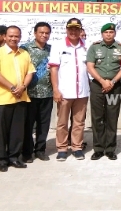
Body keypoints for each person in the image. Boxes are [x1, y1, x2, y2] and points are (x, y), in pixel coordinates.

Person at [0, 26, 36, 172]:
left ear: (20, 37)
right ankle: (2, 160)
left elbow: (30, 72)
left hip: (21, 98)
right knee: (1, 131)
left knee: (17, 131)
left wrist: (22, 87)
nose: (13, 39)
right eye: (11, 36)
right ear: (5, 36)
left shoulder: (24, 53)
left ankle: (14, 157)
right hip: (3, 99)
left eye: (16, 36)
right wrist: (12, 87)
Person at [48, 18, 89, 161]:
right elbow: (54, 69)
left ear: (80, 30)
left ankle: (77, 147)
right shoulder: (58, 45)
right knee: (62, 122)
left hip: (82, 91)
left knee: (79, 122)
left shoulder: (86, 46)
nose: (73, 31)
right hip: (64, 91)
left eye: (76, 29)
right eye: (70, 29)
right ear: (66, 29)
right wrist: (56, 89)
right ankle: (62, 148)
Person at [86, 23, 121, 161]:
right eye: (106, 32)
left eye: (111, 32)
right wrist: (102, 81)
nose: (109, 34)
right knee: (97, 117)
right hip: (97, 85)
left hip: (114, 86)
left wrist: (112, 82)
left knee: (112, 117)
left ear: (115, 33)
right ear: (102, 34)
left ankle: (110, 149)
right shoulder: (94, 47)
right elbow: (90, 66)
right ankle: (98, 149)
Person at [20, 22, 53, 162]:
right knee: (28, 124)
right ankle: (27, 152)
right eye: (41, 32)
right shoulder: (25, 49)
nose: (44, 35)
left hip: (48, 93)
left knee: (44, 124)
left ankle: (40, 150)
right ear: (35, 33)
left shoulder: (52, 49)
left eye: (47, 33)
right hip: (29, 93)